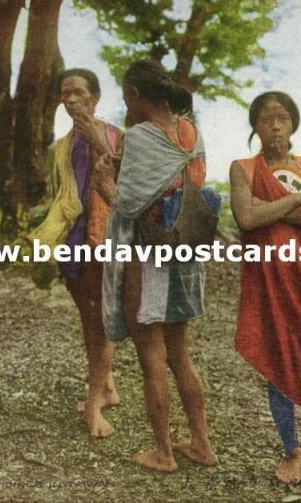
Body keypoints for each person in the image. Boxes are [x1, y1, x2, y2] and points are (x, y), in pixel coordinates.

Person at [103, 59, 217, 472]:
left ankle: (164, 452)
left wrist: (105, 185)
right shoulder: (192, 130)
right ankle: (202, 444)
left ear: (133, 95)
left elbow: (129, 203)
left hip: (149, 254)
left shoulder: (139, 136)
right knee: (179, 354)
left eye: (124, 97)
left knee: (150, 354)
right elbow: (181, 184)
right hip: (186, 251)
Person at [229, 91, 301, 496]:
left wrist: (273, 205)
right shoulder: (242, 168)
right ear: (255, 126)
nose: (274, 126)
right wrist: (296, 200)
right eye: (265, 119)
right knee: (276, 361)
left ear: (293, 124)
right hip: (265, 281)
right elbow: (245, 217)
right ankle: (290, 451)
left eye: (282, 118)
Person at [30, 68, 122, 438]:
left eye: (78, 93)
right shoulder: (63, 145)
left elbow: (123, 180)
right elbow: (62, 196)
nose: (70, 100)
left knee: (101, 322)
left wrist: (98, 140)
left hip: (107, 238)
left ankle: (94, 407)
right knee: (87, 317)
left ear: (94, 97)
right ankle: (107, 388)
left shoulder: (116, 135)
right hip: (74, 238)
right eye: (65, 94)